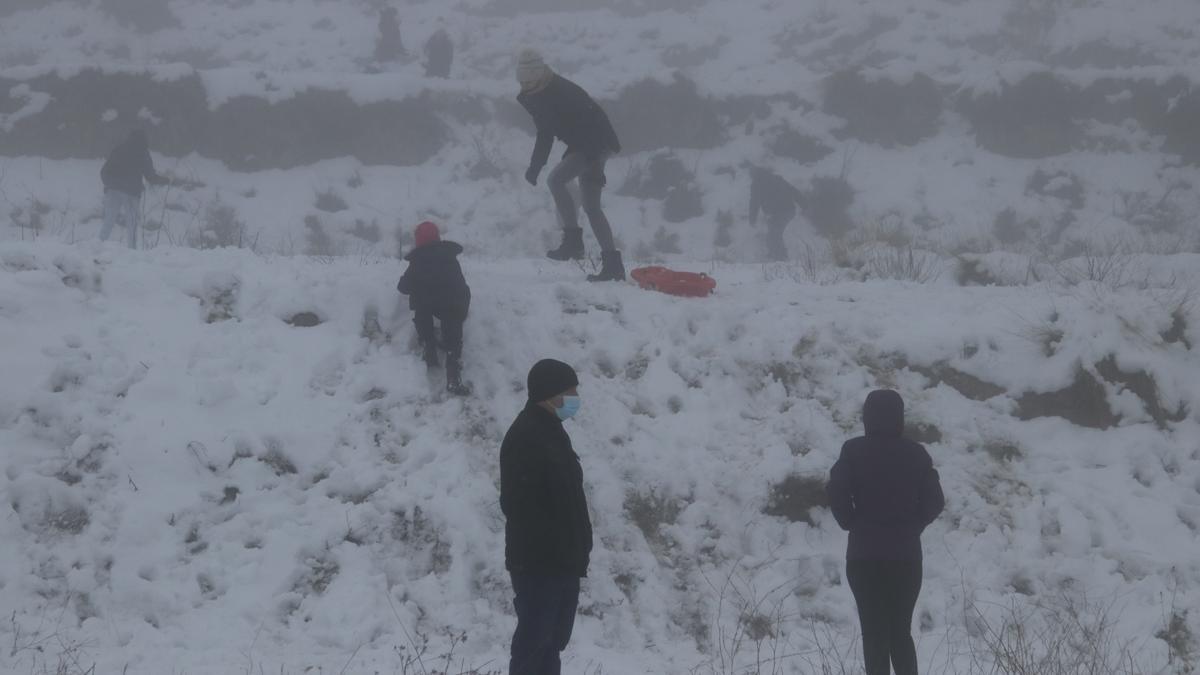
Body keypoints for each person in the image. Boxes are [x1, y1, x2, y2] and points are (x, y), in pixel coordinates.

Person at [826, 390, 945, 675]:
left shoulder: (853, 451)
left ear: (867, 417)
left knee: (874, 634)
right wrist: (914, 525)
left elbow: (836, 489)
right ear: (899, 418)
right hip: (906, 560)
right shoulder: (917, 455)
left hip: (863, 558)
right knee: (900, 633)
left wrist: (850, 522)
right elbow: (935, 501)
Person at [500, 359, 592, 675]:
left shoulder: (552, 431)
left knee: (551, 643)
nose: (574, 398)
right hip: (540, 565)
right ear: (548, 393)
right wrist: (555, 548)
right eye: (569, 392)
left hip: (561, 563)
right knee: (533, 644)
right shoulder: (526, 435)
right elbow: (517, 504)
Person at [516, 49, 625, 282]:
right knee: (591, 206)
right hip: (583, 145)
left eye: (529, 81)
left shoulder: (562, 91)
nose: (525, 87)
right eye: (522, 81)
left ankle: (576, 243)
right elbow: (545, 132)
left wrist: (594, 161)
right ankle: (609, 263)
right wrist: (535, 165)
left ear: (539, 75)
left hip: (596, 144)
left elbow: (592, 121)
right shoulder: (536, 94)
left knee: (559, 182)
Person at [396, 221, 471, 396]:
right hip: (451, 307)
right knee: (453, 329)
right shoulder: (450, 257)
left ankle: (429, 345)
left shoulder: (417, 262)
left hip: (427, 307)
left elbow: (403, 287)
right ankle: (453, 373)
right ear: (437, 237)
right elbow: (461, 286)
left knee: (421, 305)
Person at [99, 129, 167, 249]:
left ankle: (97, 246)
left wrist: (111, 184)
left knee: (108, 222)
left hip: (113, 190)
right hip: (131, 193)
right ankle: (132, 252)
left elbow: (104, 172)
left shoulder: (119, 149)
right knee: (132, 226)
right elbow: (150, 176)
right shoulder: (143, 152)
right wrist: (166, 180)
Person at [749, 166, 804, 261]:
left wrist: (752, 218)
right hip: (788, 210)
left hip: (781, 212)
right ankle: (775, 254)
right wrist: (803, 202)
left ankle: (781, 257)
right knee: (773, 232)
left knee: (774, 234)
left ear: (754, 175)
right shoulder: (776, 179)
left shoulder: (756, 184)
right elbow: (792, 189)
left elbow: (754, 202)